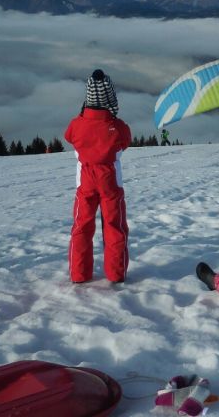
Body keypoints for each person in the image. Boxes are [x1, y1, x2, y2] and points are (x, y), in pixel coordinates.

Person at [64, 69, 132, 284]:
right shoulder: (117, 127)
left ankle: (79, 273)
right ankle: (115, 273)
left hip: (84, 179)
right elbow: (125, 141)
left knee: (82, 226)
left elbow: (69, 137)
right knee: (114, 226)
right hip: (111, 179)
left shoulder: (77, 123)